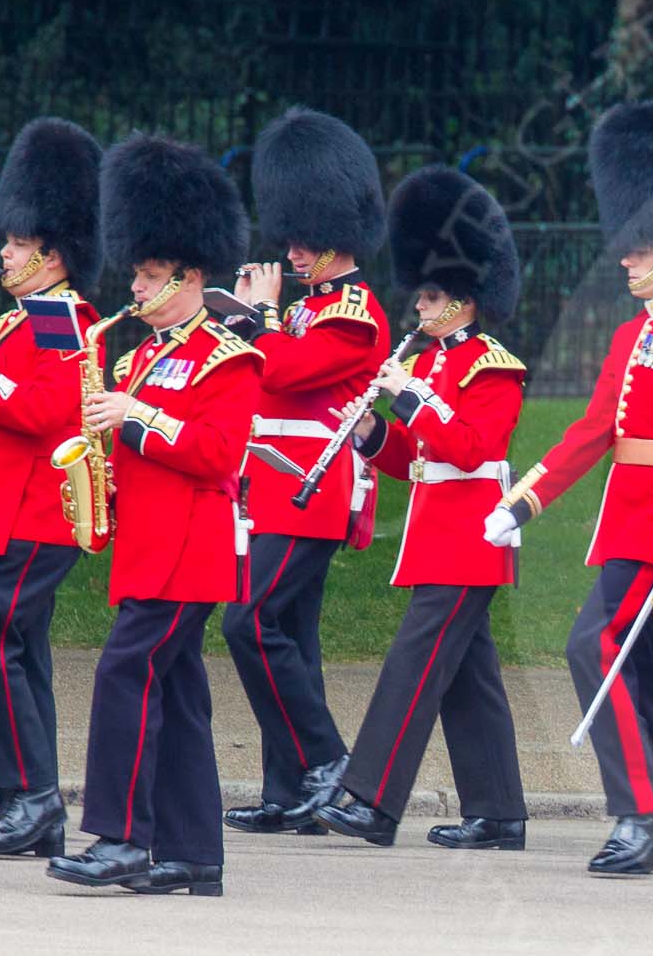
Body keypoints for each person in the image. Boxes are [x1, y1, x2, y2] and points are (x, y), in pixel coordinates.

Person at [484, 101, 653, 877]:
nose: (624, 261)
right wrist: (524, 499)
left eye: (639, 250)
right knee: (649, 679)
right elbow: (595, 431)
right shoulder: (634, 334)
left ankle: (640, 811)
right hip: (626, 523)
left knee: (591, 646)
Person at [46, 134, 260, 896]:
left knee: (123, 673)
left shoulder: (229, 357)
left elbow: (216, 455)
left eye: (150, 275)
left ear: (191, 274)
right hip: (147, 543)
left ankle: (121, 835)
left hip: (190, 550)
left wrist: (136, 417)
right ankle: (195, 852)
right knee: (177, 693)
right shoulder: (137, 356)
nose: (135, 287)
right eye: (136, 272)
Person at [314, 167, 528, 851]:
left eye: (431, 298)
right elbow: (420, 461)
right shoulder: (435, 364)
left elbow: (471, 447)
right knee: (471, 679)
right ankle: (498, 811)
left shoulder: (493, 367)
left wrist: (409, 399)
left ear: (463, 302)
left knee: (413, 664)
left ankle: (373, 798)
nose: (419, 309)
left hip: (471, 537)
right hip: (439, 533)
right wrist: (375, 433)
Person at [222, 107, 391, 837]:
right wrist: (246, 321)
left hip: (311, 487)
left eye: (300, 240)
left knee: (247, 621)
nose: (290, 251)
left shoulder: (353, 312)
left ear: (333, 236)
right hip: (275, 484)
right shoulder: (306, 306)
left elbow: (288, 373)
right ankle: (289, 790)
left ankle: (329, 762)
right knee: (292, 633)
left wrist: (260, 319)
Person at [0, 118, 102, 860]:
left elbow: (47, 410)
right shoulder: (27, 319)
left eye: (17, 244)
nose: (4, 253)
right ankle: (30, 803)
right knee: (17, 645)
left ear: (50, 251)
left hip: (38, 513)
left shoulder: (60, 318)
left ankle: (30, 795)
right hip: (12, 508)